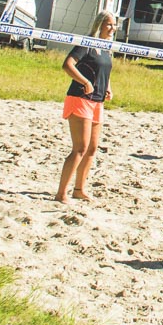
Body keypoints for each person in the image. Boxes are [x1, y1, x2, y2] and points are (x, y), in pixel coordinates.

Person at [55, 11, 117, 203]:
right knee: (79, 148)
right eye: (109, 24)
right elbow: (68, 65)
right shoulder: (87, 44)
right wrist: (84, 81)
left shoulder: (106, 48)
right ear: (100, 25)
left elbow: (103, 72)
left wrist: (108, 88)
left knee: (92, 148)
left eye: (115, 25)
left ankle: (79, 189)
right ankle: (61, 193)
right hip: (80, 98)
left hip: (97, 102)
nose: (113, 28)